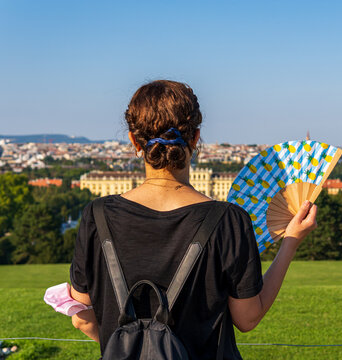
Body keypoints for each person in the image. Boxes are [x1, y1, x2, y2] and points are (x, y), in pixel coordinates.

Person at [69, 80, 318, 359]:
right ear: (196, 137)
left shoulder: (96, 216)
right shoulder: (229, 221)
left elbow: (81, 317)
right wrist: (291, 241)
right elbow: (248, 319)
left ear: (133, 141)